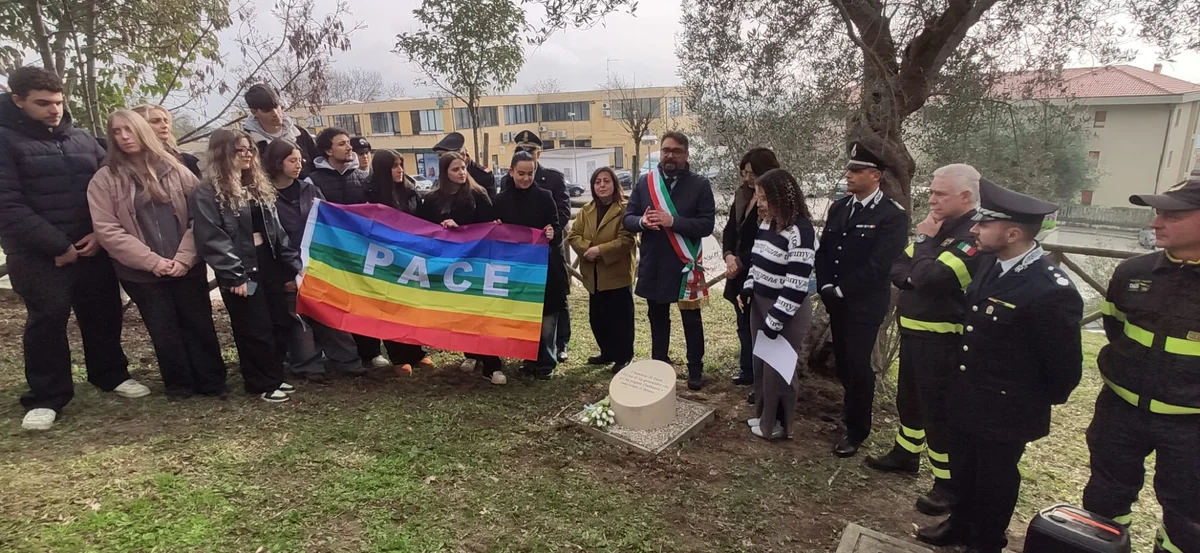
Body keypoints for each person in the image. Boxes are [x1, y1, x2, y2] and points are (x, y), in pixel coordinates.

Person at [917, 178, 1083, 553]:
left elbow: (1064, 368)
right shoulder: (992, 264)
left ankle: (985, 540)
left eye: (983, 225)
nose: (974, 229)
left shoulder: (1049, 288)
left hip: (1008, 407)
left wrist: (1026, 401)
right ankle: (959, 524)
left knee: (995, 478)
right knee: (964, 467)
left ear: (1012, 232)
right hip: (969, 393)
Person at [0, 66, 140, 431]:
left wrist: (99, 233)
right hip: (38, 253)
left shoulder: (82, 139)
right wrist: (57, 245)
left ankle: (110, 374)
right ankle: (47, 396)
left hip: (92, 246)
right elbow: (7, 204)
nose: (54, 110)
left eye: (58, 102)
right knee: (47, 321)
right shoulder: (4, 140)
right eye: (43, 103)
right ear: (18, 101)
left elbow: (111, 189)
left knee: (104, 313)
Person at [1082, 178, 1200, 553]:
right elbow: (1116, 328)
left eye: (1172, 215)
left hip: (1191, 426)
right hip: (1120, 411)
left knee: (1188, 516)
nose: (1155, 223)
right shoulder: (1133, 272)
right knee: (1104, 498)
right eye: (1157, 213)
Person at [866, 163, 984, 515]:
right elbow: (898, 268)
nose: (931, 199)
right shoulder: (940, 229)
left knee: (939, 414)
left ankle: (947, 485)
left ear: (965, 197)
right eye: (930, 192)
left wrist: (924, 244)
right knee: (910, 401)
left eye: (939, 194)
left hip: (945, 342)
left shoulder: (972, 235)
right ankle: (906, 454)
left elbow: (935, 278)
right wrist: (921, 265)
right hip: (915, 335)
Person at [87, 110, 226, 402]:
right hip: (140, 272)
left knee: (198, 323)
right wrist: (153, 262)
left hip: (186, 265)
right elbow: (107, 229)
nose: (124, 137)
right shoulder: (104, 179)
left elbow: (200, 216)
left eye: (129, 130)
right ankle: (179, 385)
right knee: (163, 329)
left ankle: (212, 381)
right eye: (116, 132)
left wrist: (184, 258)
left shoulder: (177, 170)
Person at [192, 129, 302, 403]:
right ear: (221, 154)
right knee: (254, 326)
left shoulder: (256, 187)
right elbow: (211, 238)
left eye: (249, 149)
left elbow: (277, 232)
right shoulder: (207, 192)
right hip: (241, 267)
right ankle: (260, 383)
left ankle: (275, 376)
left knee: (278, 320)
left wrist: (295, 265)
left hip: (268, 262)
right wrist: (233, 274)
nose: (246, 155)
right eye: (238, 150)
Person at [814, 141, 909, 457]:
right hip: (835, 300)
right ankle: (848, 412)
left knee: (858, 364)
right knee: (843, 361)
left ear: (876, 175)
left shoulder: (891, 215)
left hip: (864, 304)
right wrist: (827, 286)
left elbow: (880, 264)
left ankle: (857, 429)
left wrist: (842, 290)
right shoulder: (841, 207)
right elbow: (825, 251)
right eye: (849, 169)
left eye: (856, 170)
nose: (849, 175)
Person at [262, 139, 365, 382]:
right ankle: (308, 365)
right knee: (299, 320)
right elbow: (273, 239)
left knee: (331, 313)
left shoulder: (309, 190)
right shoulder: (264, 196)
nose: (299, 165)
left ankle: (347, 361)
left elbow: (326, 222)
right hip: (286, 268)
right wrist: (291, 272)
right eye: (292, 160)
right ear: (278, 163)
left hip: (318, 264)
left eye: (300, 160)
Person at [623, 131, 716, 390]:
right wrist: (643, 221)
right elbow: (628, 218)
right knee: (658, 318)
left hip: (685, 265)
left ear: (686, 155)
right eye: (665, 150)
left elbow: (707, 224)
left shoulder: (700, 185)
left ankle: (695, 370)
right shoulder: (645, 182)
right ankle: (659, 366)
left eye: (676, 151)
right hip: (655, 264)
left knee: (691, 320)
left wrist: (672, 221)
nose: (669, 155)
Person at [738, 168, 817, 440]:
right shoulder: (768, 223)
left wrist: (775, 320)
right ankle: (763, 417)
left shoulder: (801, 231)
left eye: (763, 197)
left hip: (786, 309)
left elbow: (797, 283)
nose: (759, 203)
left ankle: (779, 426)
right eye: (758, 196)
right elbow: (756, 261)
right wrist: (748, 287)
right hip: (760, 303)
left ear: (781, 197)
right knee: (761, 363)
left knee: (778, 369)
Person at [415, 152, 504, 384]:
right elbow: (423, 230)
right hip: (447, 268)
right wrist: (441, 229)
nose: (462, 172)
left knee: (482, 313)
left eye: (463, 167)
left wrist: (461, 228)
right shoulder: (432, 199)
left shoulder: (478, 195)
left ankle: (493, 365)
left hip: (476, 264)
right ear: (445, 173)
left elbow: (487, 229)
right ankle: (471, 353)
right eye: (455, 169)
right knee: (462, 313)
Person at [307, 126, 383, 368]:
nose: (349, 148)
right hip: (331, 256)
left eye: (348, 143)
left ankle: (371, 351)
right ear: (328, 150)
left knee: (366, 301)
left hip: (361, 254)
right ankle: (343, 354)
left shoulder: (363, 178)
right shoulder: (312, 181)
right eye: (342, 144)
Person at [493, 150, 565, 379]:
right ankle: (528, 359)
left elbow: (557, 227)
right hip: (515, 270)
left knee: (546, 319)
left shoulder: (545, 196)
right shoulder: (500, 200)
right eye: (521, 173)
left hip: (544, 268)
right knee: (525, 316)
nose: (525, 178)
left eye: (530, 173)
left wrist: (553, 233)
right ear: (511, 171)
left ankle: (546, 363)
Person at [503, 130, 573, 361]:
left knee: (557, 299)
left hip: (548, 248)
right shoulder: (507, 182)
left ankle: (561, 343)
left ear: (538, 154)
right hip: (522, 255)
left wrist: (549, 233)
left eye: (530, 151)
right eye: (520, 151)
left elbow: (562, 211)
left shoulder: (552, 179)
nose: (526, 154)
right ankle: (530, 353)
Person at [364, 149, 435, 374]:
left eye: (401, 165)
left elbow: (423, 222)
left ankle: (417, 352)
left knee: (412, 306)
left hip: (410, 258)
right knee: (390, 307)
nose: (400, 170)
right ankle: (398, 356)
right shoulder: (371, 193)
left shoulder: (410, 191)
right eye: (394, 166)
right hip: (384, 260)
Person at [568, 167, 636, 374]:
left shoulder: (625, 209)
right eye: (598, 182)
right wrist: (587, 249)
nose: (602, 185)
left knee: (620, 318)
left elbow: (626, 240)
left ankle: (624, 356)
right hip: (593, 275)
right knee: (598, 318)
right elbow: (573, 236)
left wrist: (599, 250)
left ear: (615, 185)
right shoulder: (586, 210)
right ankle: (607, 352)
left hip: (617, 274)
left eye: (606, 181)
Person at [723, 148, 778, 387]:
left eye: (752, 174)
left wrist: (740, 261)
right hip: (736, 269)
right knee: (742, 323)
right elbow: (730, 229)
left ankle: (761, 377)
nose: (747, 179)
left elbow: (763, 239)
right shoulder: (743, 194)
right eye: (744, 173)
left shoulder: (774, 201)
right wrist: (728, 256)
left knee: (758, 325)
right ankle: (747, 369)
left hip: (757, 270)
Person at [243, 83, 318, 177]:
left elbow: (318, 168)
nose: (275, 113)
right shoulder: (247, 142)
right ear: (254, 112)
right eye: (267, 110)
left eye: (276, 106)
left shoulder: (300, 134)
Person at [131, 104, 202, 178]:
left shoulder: (187, 161)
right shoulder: (124, 161)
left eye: (166, 121)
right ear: (137, 126)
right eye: (155, 121)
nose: (164, 125)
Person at [433, 131, 496, 197]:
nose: (442, 160)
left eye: (446, 157)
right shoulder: (442, 177)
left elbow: (491, 204)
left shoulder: (483, 176)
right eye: (440, 156)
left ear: (463, 155)